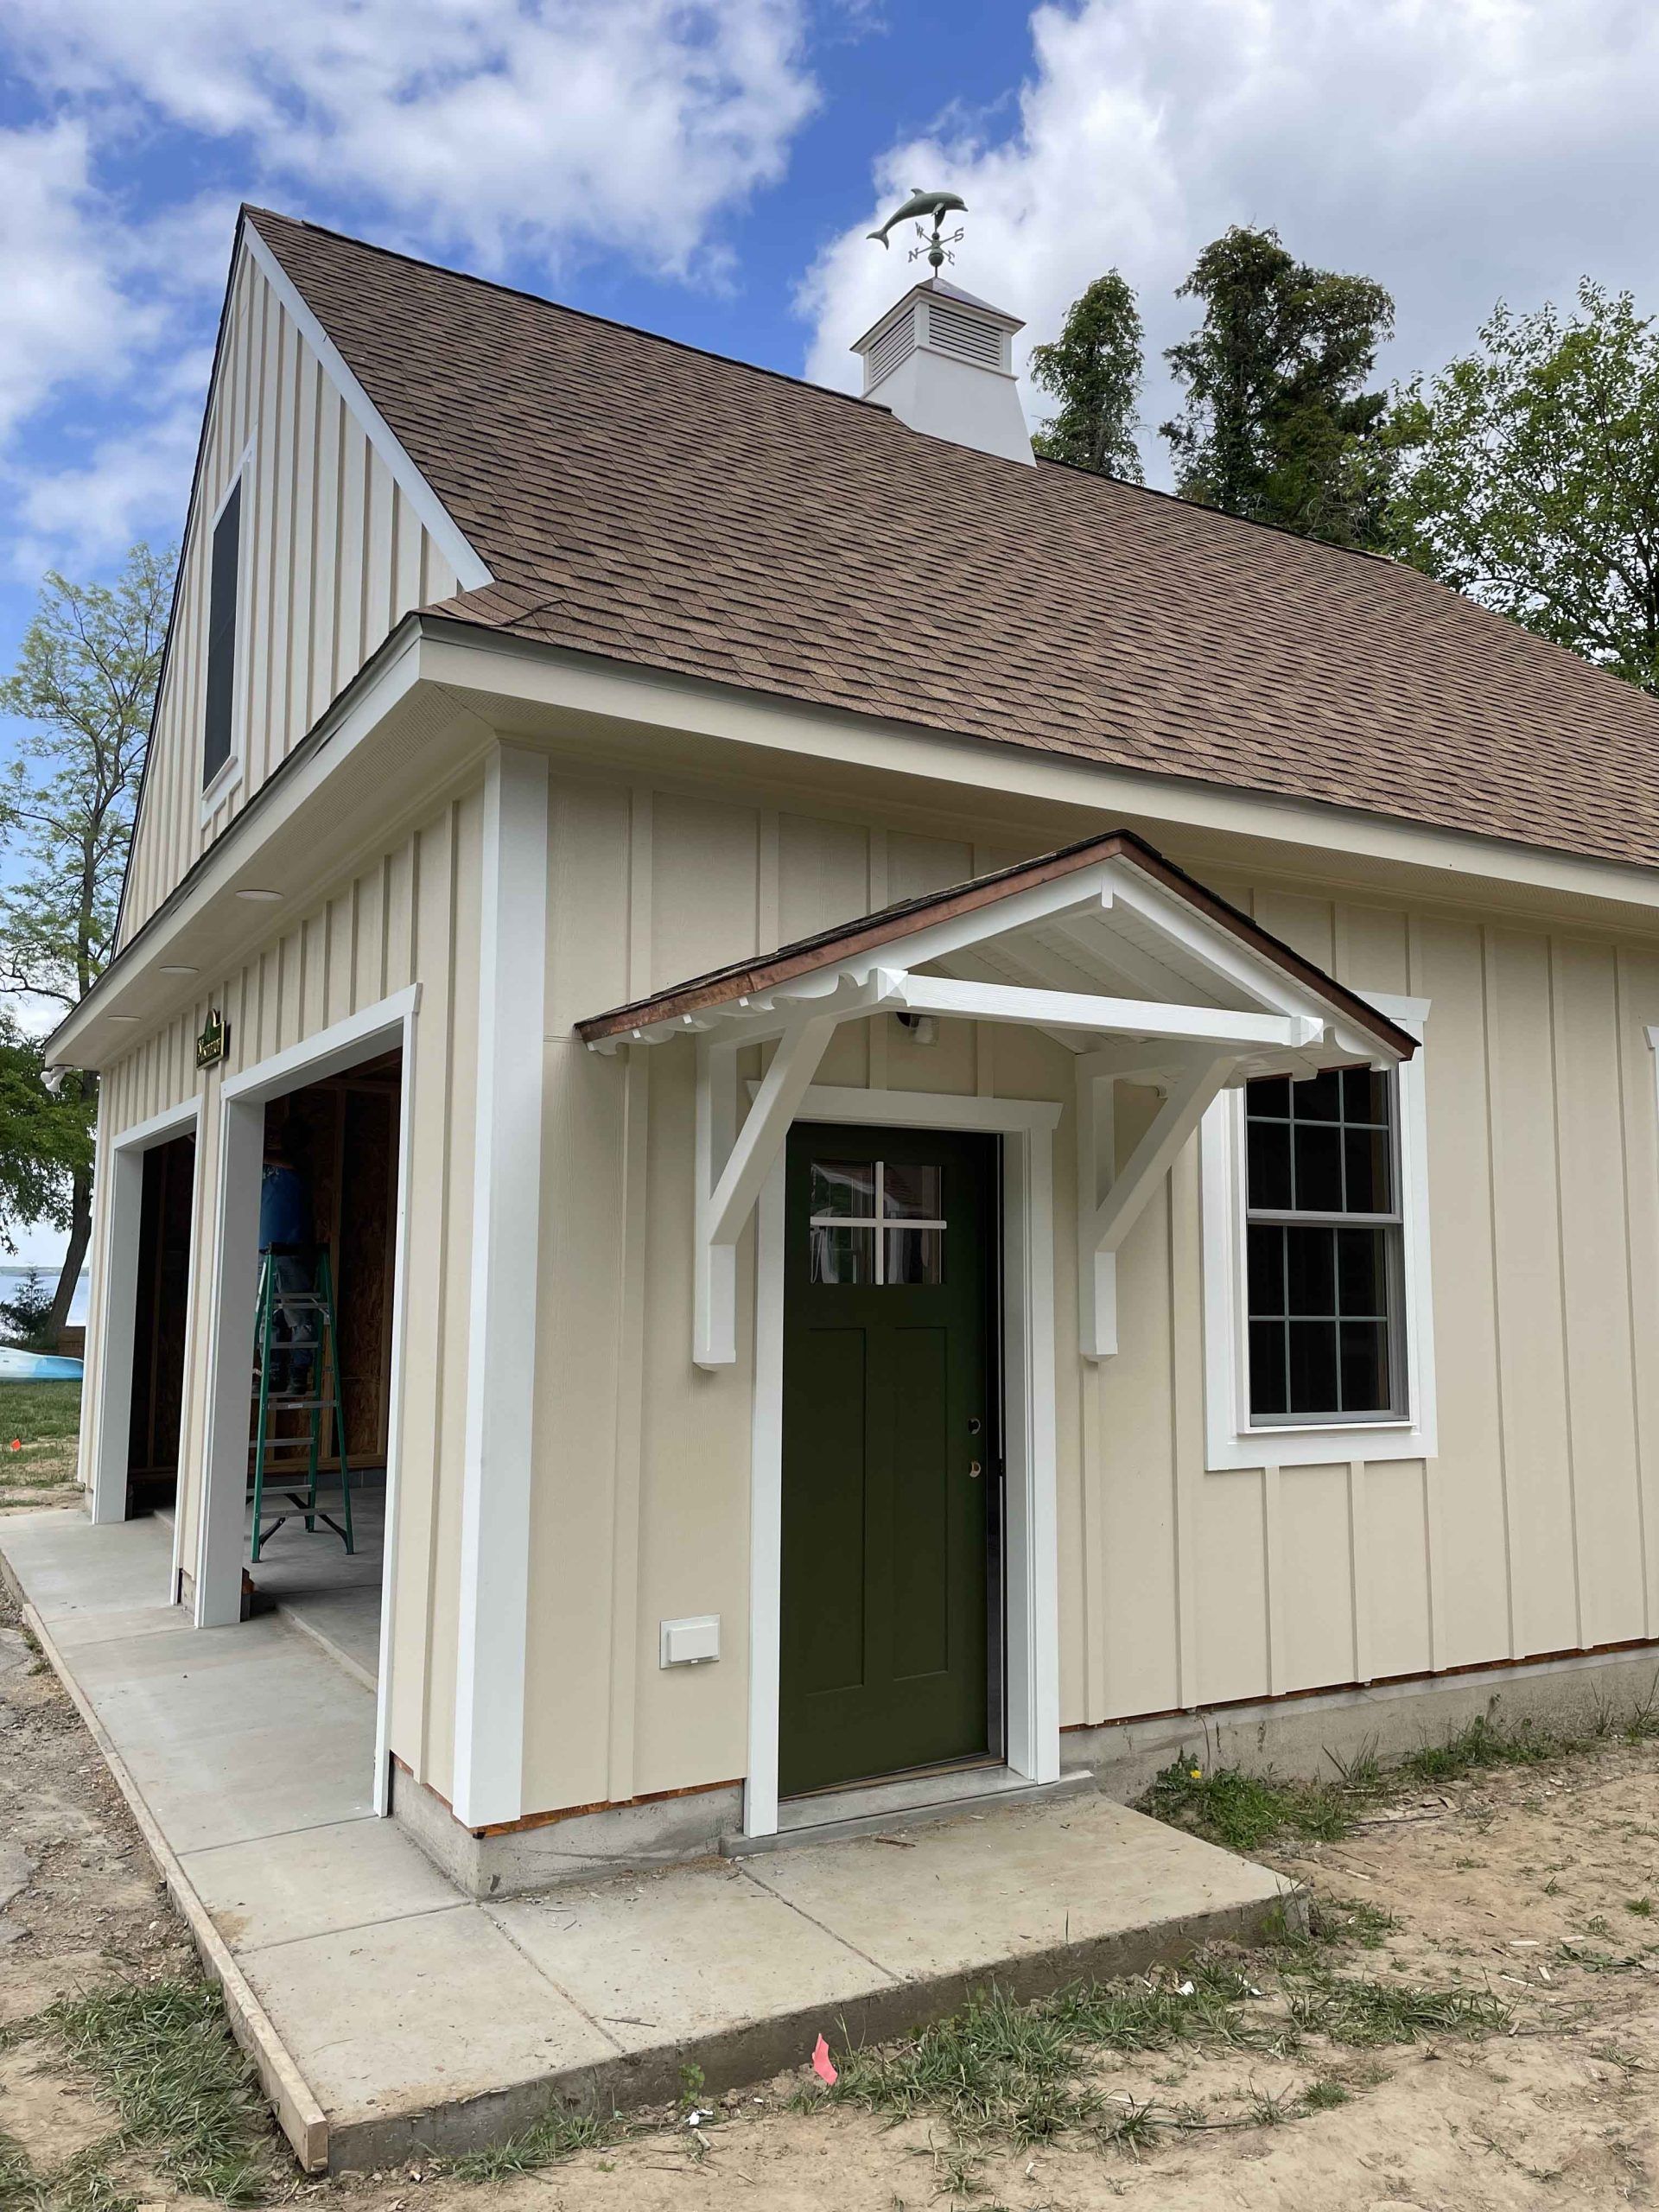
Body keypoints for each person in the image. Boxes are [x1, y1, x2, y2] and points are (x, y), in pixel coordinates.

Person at [259, 1125, 315, 1397]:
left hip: (292, 1251)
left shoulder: (299, 1160)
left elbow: (292, 1163)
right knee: (266, 1318)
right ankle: (272, 1373)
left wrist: (255, 1148)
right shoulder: (263, 1165)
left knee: (298, 1316)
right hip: (263, 1252)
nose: (271, 1137)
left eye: (277, 1134)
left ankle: (298, 1373)